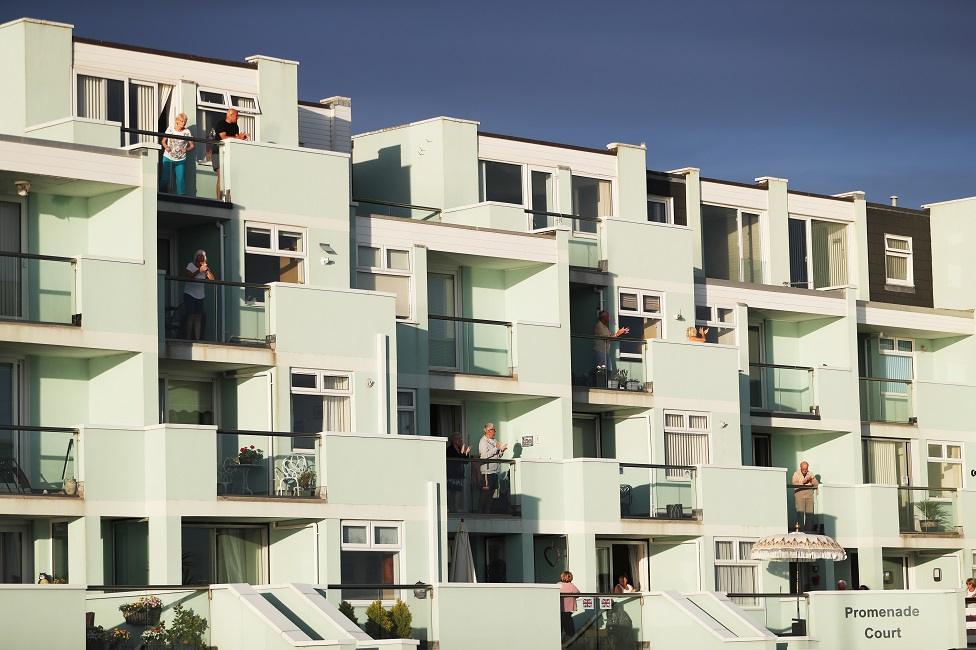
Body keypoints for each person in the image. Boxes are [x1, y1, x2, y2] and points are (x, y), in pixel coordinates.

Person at [209, 108, 249, 197]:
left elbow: (236, 138)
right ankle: (219, 199)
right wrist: (237, 138)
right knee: (221, 175)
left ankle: (227, 197)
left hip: (229, 153)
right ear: (230, 115)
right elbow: (223, 137)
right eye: (236, 116)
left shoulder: (235, 126)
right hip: (218, 152)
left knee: (229, 176)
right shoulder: (221, 124)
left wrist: (242, 137)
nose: (237, 118)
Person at [183, 250, 215, 340]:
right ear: (196, 258)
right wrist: (199, 270)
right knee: (191, 316)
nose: (201, 258)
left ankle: (197, 339)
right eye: (199, 256)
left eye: (203, 257)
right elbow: (189, 275)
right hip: (190, 294)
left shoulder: (205, 269)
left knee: (198, 317)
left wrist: (207, 270)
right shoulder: (191, 265)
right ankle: (188, 338)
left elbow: (212, 279)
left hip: (200, 295)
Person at [160, 112, 194, 195]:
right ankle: (160, 194)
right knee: (165, 178)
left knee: (180, 179)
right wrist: (166, 147)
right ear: (177, 121)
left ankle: (181, 198)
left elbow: (192, 145)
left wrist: (187, 149)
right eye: (182, 121)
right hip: (168, 157)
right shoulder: (170, 129)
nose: (184, 123)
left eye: (185, 121)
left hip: (180, 159)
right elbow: (163, 141)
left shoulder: (187, 132)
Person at [593, 310, 630, 384]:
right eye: (607, 316)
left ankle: (605, 384)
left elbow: (610, 337)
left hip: (606, 351)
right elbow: (607, 338)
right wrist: (618, 334)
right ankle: (602, 385)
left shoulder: (605, 327)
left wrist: (620, 333)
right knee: (602, 370)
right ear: (603, 317)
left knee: (609, 369)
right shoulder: (599, 325)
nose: (609, 318)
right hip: (600, 350)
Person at [478, 423, 508, 514]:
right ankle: (480, 511)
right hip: (487, 471)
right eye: (493, 430)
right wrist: (496, 449)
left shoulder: (494, 441)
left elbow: (497, 455)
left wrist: (501, 451)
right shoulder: (483, 441)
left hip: (495, 470)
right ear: (487, 431)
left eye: (494, 430)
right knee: (486, 492)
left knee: (492, 491)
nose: (494, 431)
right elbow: (484, 455)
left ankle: (487, 510)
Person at [445, 433, 471, 512]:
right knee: (451, 492)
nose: (460, 440)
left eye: (460, 438)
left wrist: (466, 453)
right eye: (458, 438)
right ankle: (451, 508)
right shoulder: (449, 449)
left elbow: (465, 462)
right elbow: (455, 460)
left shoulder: (460, 449)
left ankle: (455, 509)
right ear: (453, 440)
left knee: (458, 492)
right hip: (451, 474)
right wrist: (462, 452)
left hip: (459, 474)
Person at [791, 461, 819, 531]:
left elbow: (816, 484)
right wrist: (803, 482)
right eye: (803, 469)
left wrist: (812, 479)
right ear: (800, 467)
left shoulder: (810, 473)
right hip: (799, 494)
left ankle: (808, 530)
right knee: (800, 513)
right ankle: (800, 530)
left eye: (806, 469)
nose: (805, 470)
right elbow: (794, 483)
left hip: (809, 494)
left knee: (809, 513)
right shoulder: (796, 474)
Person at [559, 570, 580, 640]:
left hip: (560, 609)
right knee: (569, 628)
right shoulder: (571, 586)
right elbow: (578, 594)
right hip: (568, 610)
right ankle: (569, 642)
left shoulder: (558, 584)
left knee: (560, 627)